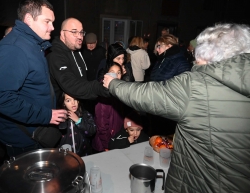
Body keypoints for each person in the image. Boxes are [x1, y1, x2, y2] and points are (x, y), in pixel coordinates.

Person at [103, 23, 250, 193]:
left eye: (198, 55)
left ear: (211, 54)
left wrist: (113, 84)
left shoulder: (196, 83)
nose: (194, 60)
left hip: (196, 184)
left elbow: (149, 94)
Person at [0, 0, 67, 157]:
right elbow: (0, 97)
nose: (52, 27)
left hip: (35, 133)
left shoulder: (32, 45)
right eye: (47, 21)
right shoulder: (14, 48)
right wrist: (46, 115)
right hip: (24, 140)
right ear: (29, 19)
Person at [46, 18, 110, 105]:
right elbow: (70, 83)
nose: (80, 36)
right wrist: (99, 88)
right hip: (64, 111)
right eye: (74, 32)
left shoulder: (75, 49)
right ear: (62, 34)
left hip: (81, 106)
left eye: (81, 32)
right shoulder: (55, 55)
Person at [149, 34, 192, 136]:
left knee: (166, 139)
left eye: (159, 46)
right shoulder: (161, 60)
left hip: (168, 110)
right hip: (156, 106)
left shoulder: (181, 62)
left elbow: (184, 89)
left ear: (168, 46)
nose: (157, 50)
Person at [92, 62, 125, 152]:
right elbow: (101, 125)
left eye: (118, 72)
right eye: (112, 72)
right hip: (104, 144)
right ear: (106, 75)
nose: (116, 76)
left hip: (116, 138)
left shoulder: (119, 91)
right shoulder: (104, 95)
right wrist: (107, 145)